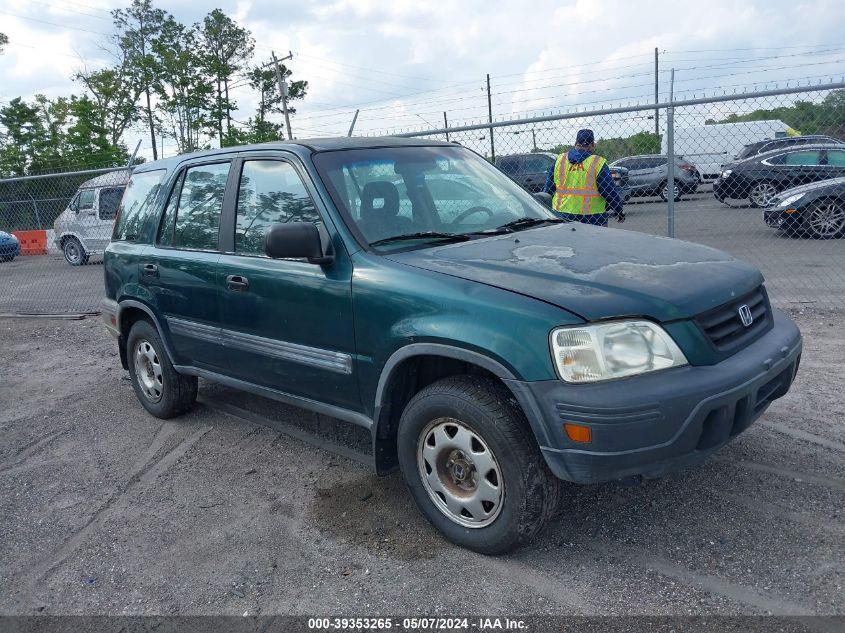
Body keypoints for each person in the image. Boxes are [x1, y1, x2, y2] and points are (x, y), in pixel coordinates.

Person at [544, 129, 625, 226]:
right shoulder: (597, 163)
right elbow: (609, 191)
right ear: (592, 144)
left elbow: (549, 189)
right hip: (593, 217)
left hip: (562, 215)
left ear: (576, 143)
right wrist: (619, 210)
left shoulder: (560, 160)